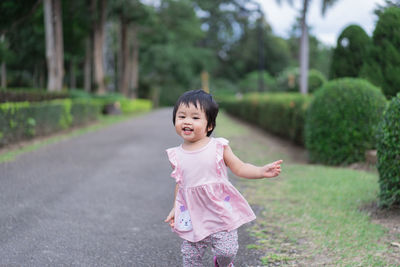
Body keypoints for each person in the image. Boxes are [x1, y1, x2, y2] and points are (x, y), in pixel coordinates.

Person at [164, 89, 282, 267]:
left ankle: (222, 263)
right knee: (190, 256)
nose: (187, 121)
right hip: (193, 213)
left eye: (195, 118)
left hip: (219, 210)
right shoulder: (176, 155)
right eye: (182, 116)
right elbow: (180, 183)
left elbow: (240, 167)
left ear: (209, 125)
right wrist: (175, 208)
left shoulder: (218, 147)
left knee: (227, 252)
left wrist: (260, 171)